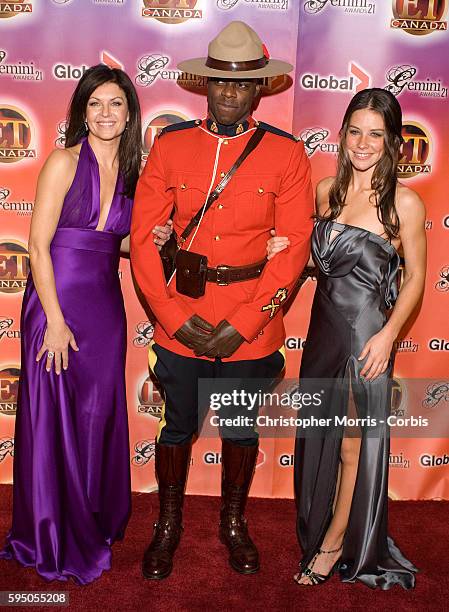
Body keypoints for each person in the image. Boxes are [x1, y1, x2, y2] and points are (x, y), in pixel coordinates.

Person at [130, 20, 314, 580]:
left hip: (249, 325)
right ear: (205, 85)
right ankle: (168, 525)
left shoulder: (286, 155)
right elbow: (142, 239)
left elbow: (293, 250)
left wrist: (246, 322)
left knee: (238, 427)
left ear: (260, 88)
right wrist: (173, 317)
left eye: (242, 83)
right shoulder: (172, 144)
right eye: (219, 82)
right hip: (180, 319)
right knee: (178, 426)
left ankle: (233, 523)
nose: (229, 93)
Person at [268, 88, 425, 589]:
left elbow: (417, 277)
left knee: (354, 446)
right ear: (341, 136)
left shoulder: (405, 202)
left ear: (393, 142)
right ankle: (321, 527)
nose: (363, 143)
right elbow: (326, 263)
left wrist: (388, 337)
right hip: (322, 334)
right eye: (355, 131)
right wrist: (288, 249)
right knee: (322, 437)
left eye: (376, 134)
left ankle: (336, 542)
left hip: (367, 337)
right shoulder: (325, 191)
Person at [0, 64, 143, 585]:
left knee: (97, 413)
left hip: (106, 308)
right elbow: (38, 246)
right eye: (95, 104)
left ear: (130, 114)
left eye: (116, 104)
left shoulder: (131, 173)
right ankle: (50, 532)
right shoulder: (63, 162)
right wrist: (55, 322)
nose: (106, 113)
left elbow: (117, 241)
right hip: (54, 305)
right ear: (83, 112)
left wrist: (161, 234)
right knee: (53, 415)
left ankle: (91, 517)